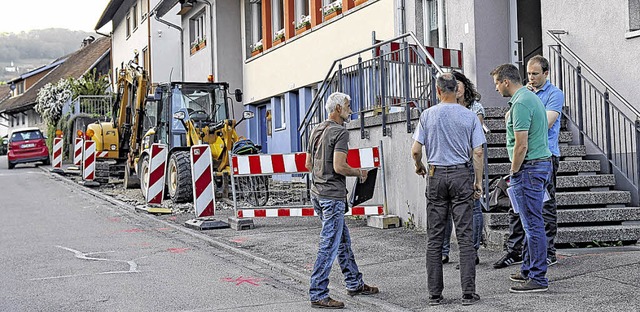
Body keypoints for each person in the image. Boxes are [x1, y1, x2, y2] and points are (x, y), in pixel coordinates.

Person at [411, 73, 485, 306]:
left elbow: (415, 150)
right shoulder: (469, 116)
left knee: (435, 237)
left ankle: (435, 295)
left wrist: (419, 165)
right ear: (456, 89)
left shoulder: (427, 115)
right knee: (464, 236)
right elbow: (479, 152)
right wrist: (478, 182)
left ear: (438, 90)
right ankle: (468, 293)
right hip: (461, 175)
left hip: (435, 174)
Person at [305, 92, 379, 309]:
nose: (350, 110)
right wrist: (360, 173)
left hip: (317, 193)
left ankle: (355, 283)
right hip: (332, 197)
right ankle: (318, 292)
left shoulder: (316, 129)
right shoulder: (340, 132)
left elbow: (309, 164)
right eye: (347, 106)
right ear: (337, 108)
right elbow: (339, 166)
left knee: (342, 241)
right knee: (329, 244)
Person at [493, 55, 564, 269]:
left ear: (546, 73)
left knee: (545, 206)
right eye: (529, 74)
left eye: (535, 74)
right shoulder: (523, 97)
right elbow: (509, 121)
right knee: (517, 207)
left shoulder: (553, 94)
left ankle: (545, 255)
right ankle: (516, 251)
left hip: (544, 155)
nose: (531, 78)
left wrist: (528, 106)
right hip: (526, 159)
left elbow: (547, 123)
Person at [441, 71, 486, 266]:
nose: (456, 89)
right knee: (444, 211)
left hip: (466, 164)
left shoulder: (475, 108)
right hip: (446, 165)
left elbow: (476, 144)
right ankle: (443, 251)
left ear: (465, 86)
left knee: (473, 209)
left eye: (458, 85)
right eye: (452, 86)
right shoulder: (444, 108)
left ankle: (471, 251)